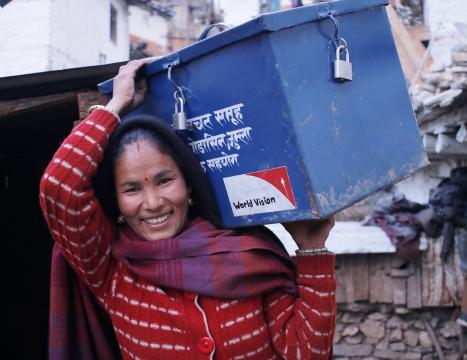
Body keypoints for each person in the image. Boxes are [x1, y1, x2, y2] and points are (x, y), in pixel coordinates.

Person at [40, 59, 336, 360]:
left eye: (165, 180)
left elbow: (305, 354)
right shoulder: (111, 267)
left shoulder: (248, 255)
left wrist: (312, 249)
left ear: (189, 183)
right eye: (132, 188)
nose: (153, 202)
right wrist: (116, 106)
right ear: (117, 200)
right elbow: (58, 186)